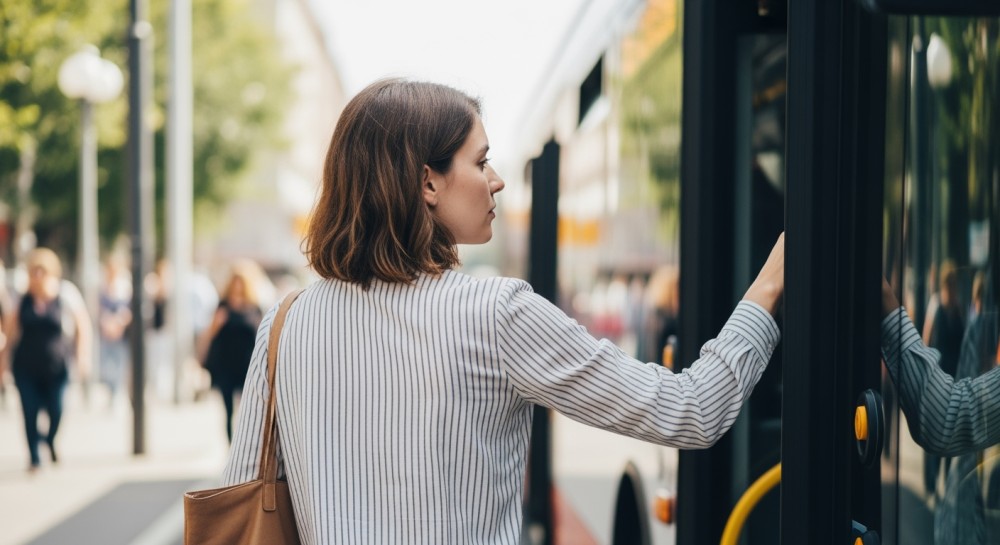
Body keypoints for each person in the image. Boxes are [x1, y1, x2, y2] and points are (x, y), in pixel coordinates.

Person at [220, 79, 785, 543]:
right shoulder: (495, 314)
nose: (498, 180)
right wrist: (770, 285)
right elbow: (691, 412)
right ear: (428, 183)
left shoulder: (285, 321)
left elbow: (244, 491)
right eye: (482, 161)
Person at [3, 248, 92, 472]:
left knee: (57, 409)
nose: (38, 277)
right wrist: (3, 363)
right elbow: (12, 332)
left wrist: (82, 356)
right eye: (34, 272)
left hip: (57, 366)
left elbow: (83, 326)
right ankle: (34, 457)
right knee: (29, 411)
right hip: (26, 367)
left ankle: (50, 439)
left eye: (42, 271)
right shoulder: (21, 299)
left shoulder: (65, 294)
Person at [199, 259, 264, 442]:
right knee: (227, 410)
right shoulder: (223, 306)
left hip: (246, 364)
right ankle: (230, 445)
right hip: (224, 365)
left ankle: (244, 444)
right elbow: (209, 333)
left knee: (247, 409)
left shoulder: (254, 308)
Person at [97, 257, 132, 407]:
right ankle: (111, 391)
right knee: (105, 365)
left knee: (119, 364)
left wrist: (118, 323)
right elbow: (99, 310)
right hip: (106, 332)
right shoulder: (103, 287)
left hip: (120, 334)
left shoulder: (124, 288)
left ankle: (115, 393)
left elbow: (128, 311)